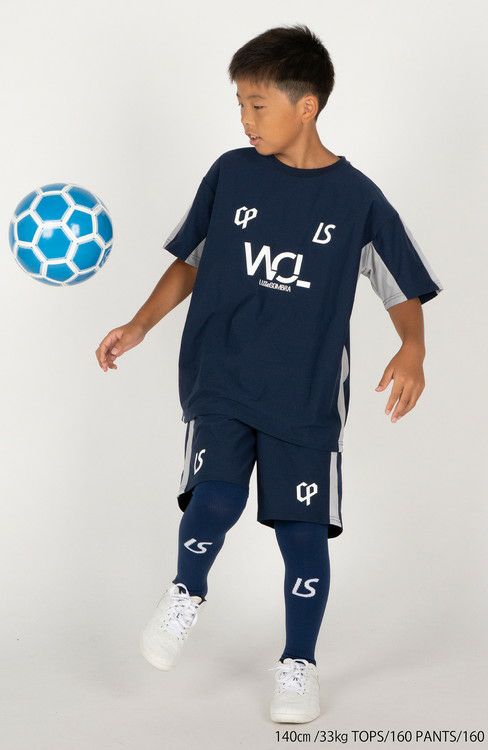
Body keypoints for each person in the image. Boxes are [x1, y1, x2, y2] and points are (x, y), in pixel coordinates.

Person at [95, 24, 444, 724]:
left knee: (302, 538)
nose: (245, 119)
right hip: (221, 375)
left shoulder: (358, 200)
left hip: (305, 395)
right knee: (214, 499)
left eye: (257, 105)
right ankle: (186, 593)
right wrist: (139, 324)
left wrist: (413, 348)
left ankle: (298, 664)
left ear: (305, 106)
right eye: (239, 104)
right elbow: (190, 262)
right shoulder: (231, 173)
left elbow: (403, 288)